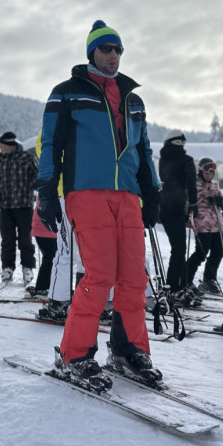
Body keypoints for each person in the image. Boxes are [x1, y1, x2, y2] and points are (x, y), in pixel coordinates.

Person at [36, 19, 161, 389]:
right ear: (92, 52)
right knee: (100, 275)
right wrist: (47, 191)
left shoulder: (133, 99)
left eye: (118, 49)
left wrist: (152, 191)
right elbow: (50, 143)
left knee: (134, 278)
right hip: (86, 191)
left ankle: (128, 350)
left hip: (128, 194)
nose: (113, 55)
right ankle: (74, 354)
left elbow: (143, 149)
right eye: (106, 48)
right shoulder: (66, 93)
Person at [0, 131, 38, 286]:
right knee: (7, 240)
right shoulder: (2, 160)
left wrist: (38, 187)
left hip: (24, 205)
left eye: (1, 145)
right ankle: (8, 268)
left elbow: (37, 176)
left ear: (9, 145)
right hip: (6, 207)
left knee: (25, 239)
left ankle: (28, 267)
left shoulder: (28, 158)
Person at [158, 129, 198, 305]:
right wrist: (194, 204)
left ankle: (175, 284)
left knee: (177, 248)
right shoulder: (186, 160)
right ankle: (174, 287)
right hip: (177, 207)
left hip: (164, 207)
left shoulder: (163, 159)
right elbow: (191, 182)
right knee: (179, 249)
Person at [186, 157, 223, 295]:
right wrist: (202, 195)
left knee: (218, 252)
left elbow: (222, 202)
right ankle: (186, 279)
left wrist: (219, 200)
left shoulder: (215, 184)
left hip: (217, 223)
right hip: (202, 224)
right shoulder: (194, 184)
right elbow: (188, 202)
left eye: (211, 172)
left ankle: (209, 279)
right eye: (206, 172)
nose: (209, 175)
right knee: (201, 253)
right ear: (200, 171)